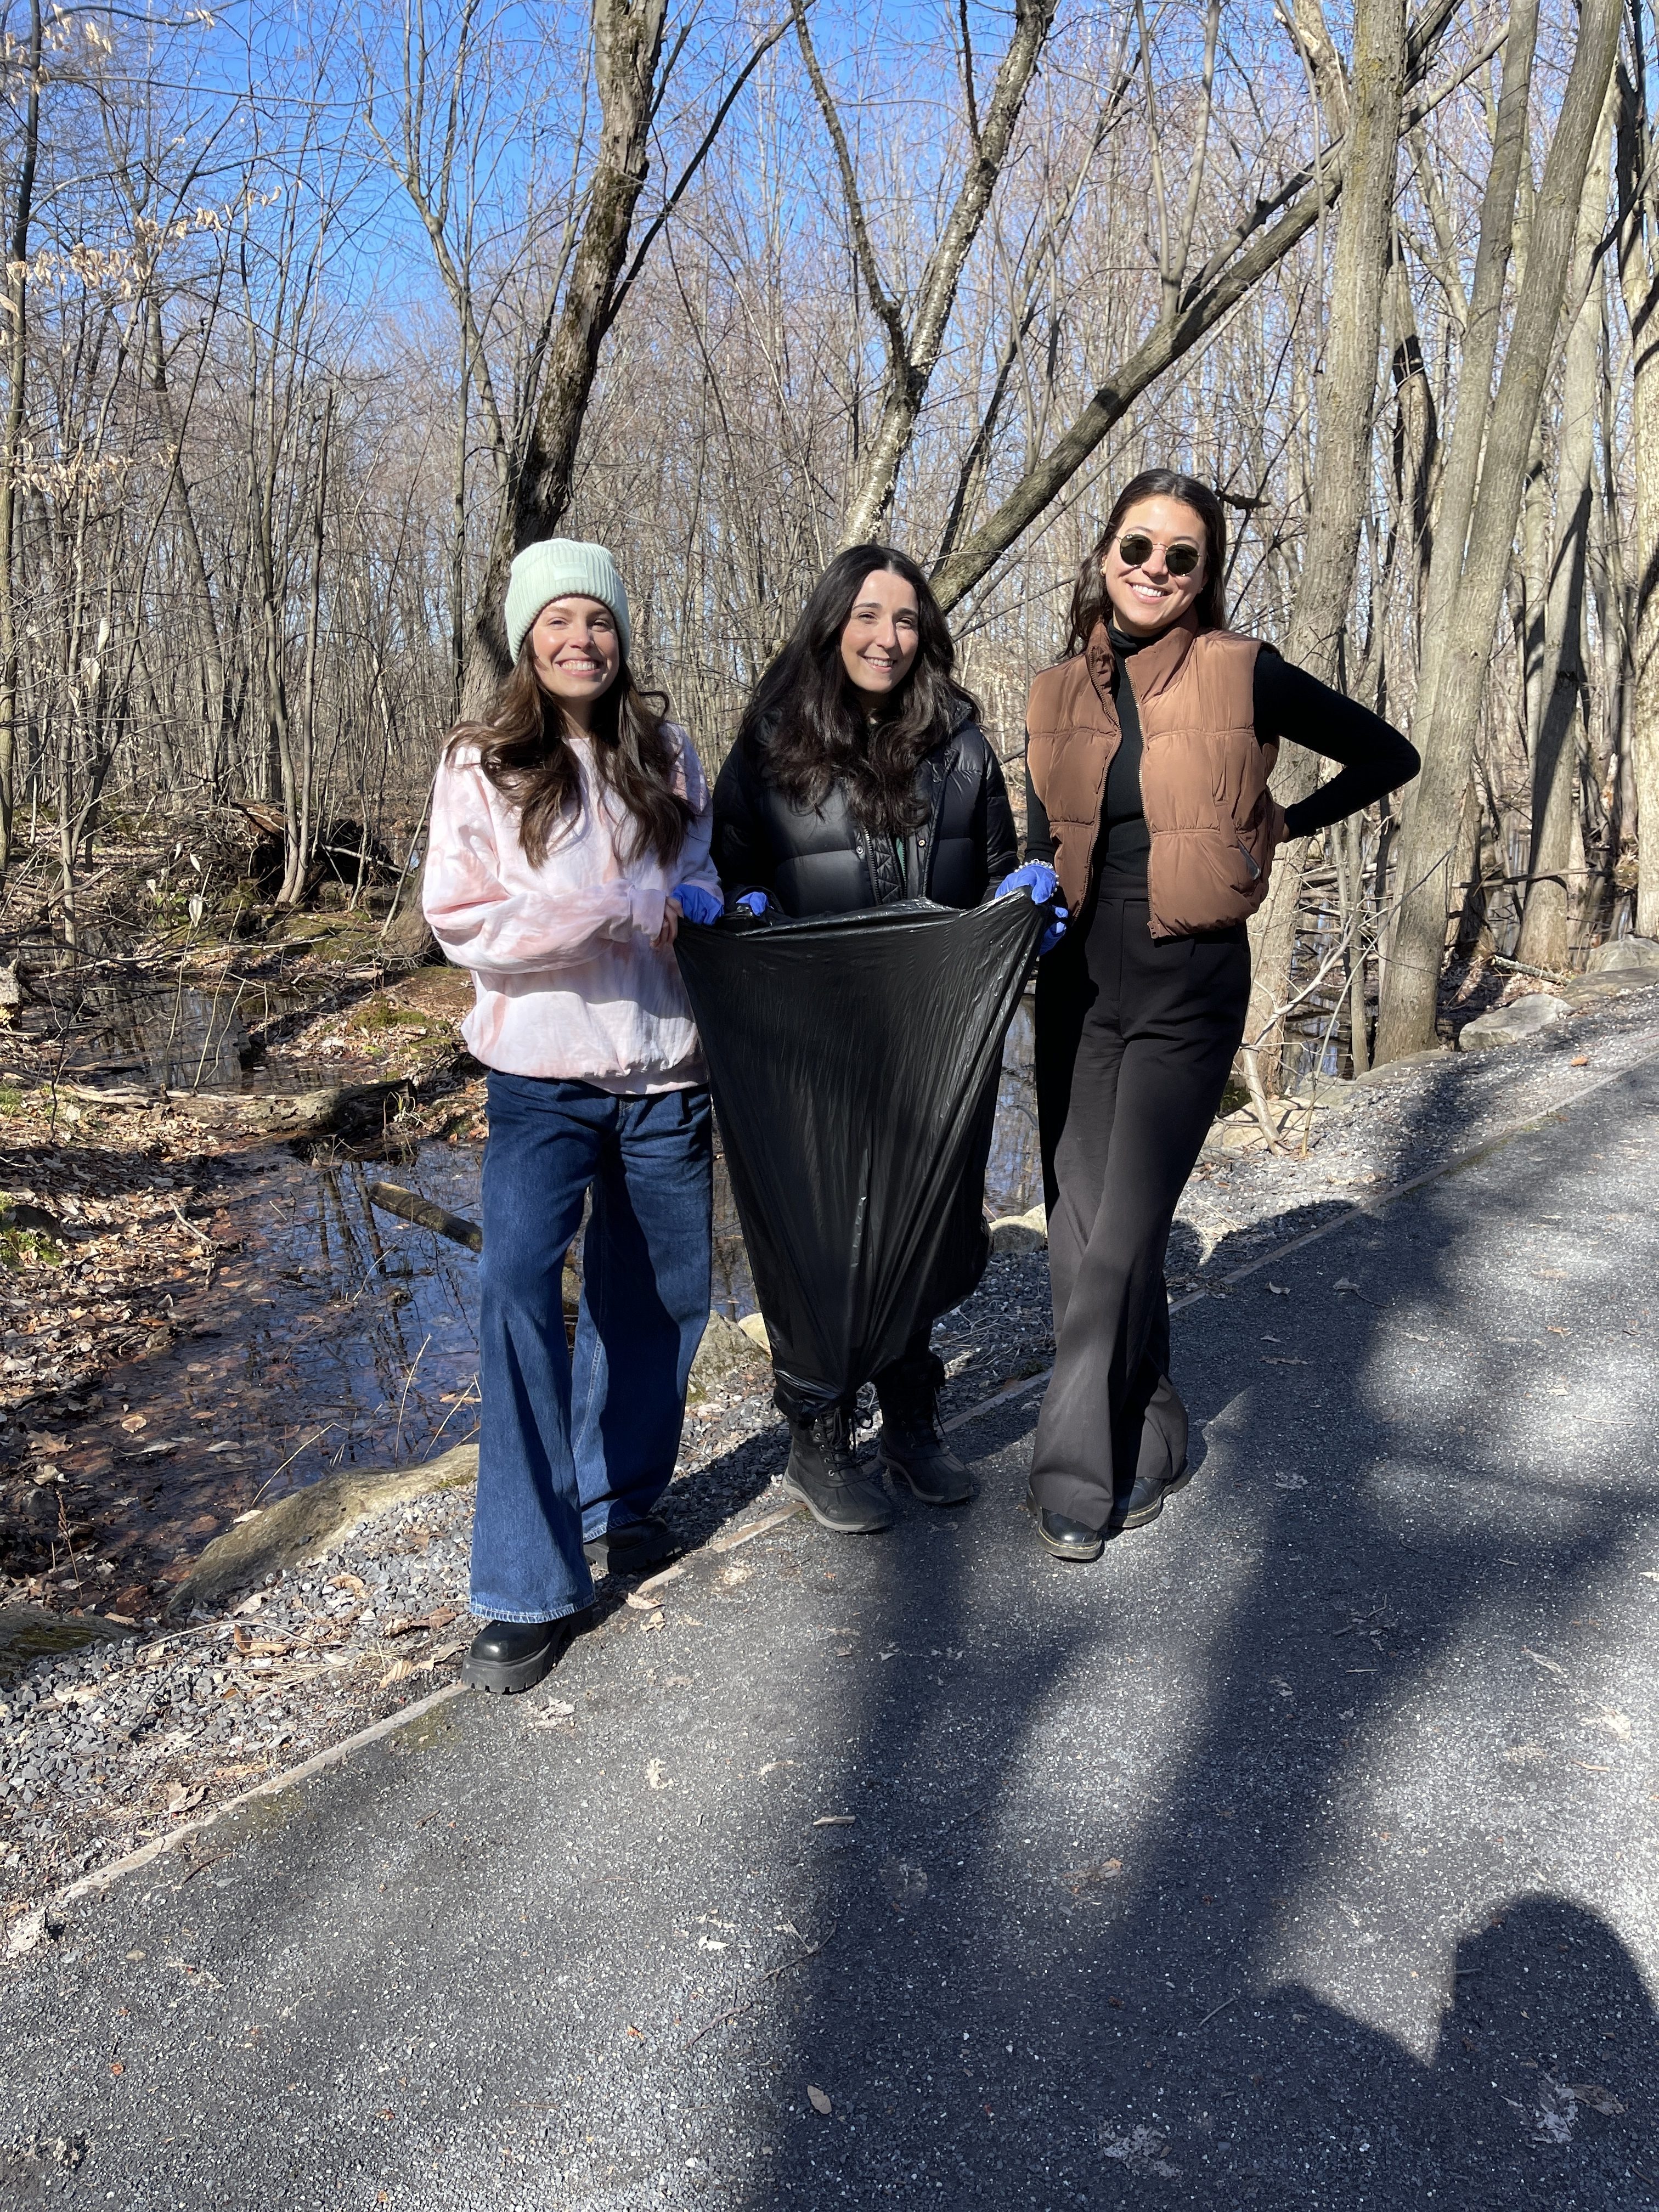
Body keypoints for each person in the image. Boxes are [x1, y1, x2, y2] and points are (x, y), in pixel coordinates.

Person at [1023, 470, 1419, 1562]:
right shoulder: (1055, 690)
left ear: (1206, 577)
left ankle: (1070, 1473)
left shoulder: (1244, 674)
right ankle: (1151, 1435)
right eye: (1137, 546)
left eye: (1181, 556)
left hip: (1188, 982)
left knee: (1121, 1240)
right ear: (1105, 553)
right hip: (1074, 986)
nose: (1154, 568)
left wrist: (1282, 823)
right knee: (1078, 1234)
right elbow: (1041, 839)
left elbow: (1390, 755)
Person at [424, 538, 726, 1694]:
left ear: (620, 633)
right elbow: (459, 917)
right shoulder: (483, 759)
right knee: (514, 1291)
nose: (580, 640)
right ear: (523, 636)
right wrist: (599, 913)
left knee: (659, 1299)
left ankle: (623, 1502)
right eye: (557, 622)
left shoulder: (668, 748)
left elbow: (694, 870)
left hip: (664, 1068)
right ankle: (523, 1585)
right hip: (540, 1077)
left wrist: (692, 900)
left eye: (597, 621)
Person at [712, 543, 1063, 1536]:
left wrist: (1021, 897)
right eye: (869, 616)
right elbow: (732, 863)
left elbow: (998, 861)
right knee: (821, 1239)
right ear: (833, 625)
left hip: (934, 1040)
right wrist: (737, 907)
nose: (888, 637)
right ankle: (816, 1440)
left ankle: (912, 1420)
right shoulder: (773, 740)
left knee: (923, 1228)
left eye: (907, 620)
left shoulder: (955, 740)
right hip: (811, 1043)